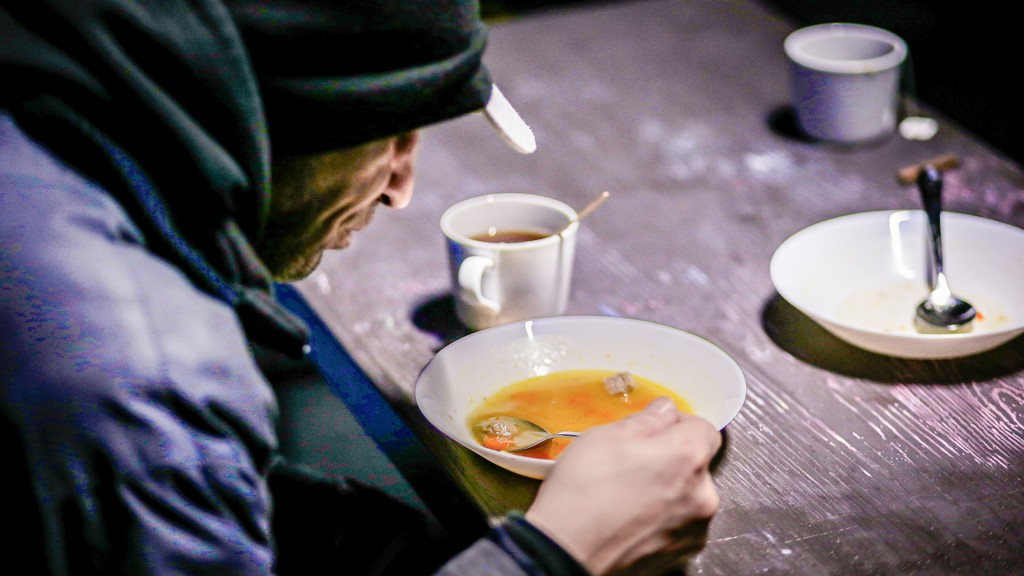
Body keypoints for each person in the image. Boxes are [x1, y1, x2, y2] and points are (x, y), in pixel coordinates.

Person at [0, 1, 722, 574]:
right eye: (388, 130)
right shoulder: (144, 381)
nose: (403, 188)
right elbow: (157, 458)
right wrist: (561, 553)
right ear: (260, 106)